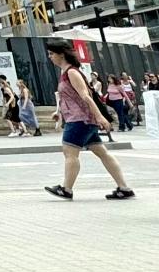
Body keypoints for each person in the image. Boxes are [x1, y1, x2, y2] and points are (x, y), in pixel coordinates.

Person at [42, 40, 135, 201]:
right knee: (102, 152)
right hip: (81, 118)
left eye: (51, 53)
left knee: (70, 152)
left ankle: (67, 189)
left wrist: (99, 116)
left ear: (61, 54)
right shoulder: (66, 72)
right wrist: (60, 113)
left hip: (80, 119)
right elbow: (70, 98)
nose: (50, 57)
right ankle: (124, 188)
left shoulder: (72, 72)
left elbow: (86, 96)